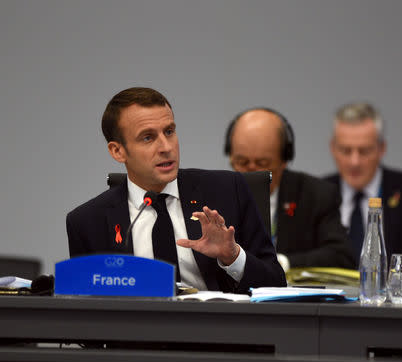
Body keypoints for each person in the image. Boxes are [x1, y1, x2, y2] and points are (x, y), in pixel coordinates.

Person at [66, 87, 286, 293]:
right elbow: (87, 309)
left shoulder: (228, 191)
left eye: (169, 131)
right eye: (148, 137)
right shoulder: (87, 222)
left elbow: (276, 285)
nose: (166, 147)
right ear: (117, 151)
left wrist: (232, 256)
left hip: (219, 329)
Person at [326, 102, 402, 280]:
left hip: (396, 304)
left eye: (364, 151)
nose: (354, 161)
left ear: (381, 148)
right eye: (346, 150)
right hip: (331, 305)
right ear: (332, 148)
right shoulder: (316, 193)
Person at [224, 107, 355, 271]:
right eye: (242, 162)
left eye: (263, 164)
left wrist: (283, 263)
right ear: (230, 156)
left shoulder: (316, 195)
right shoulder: (214, 193)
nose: (253, 171)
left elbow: (341, 255)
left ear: (284, 159)